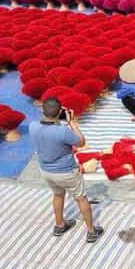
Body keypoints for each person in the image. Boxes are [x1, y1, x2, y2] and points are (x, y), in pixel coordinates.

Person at [30, 97, 104, 243]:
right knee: (81, 198)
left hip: (46, 171)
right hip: (66, 172)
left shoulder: (33, 126)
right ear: (59, 113)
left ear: (42, 110)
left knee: (58, 195)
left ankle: (59, 225)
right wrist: (72, 122)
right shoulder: (63, 131)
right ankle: (91, 231)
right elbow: (81, 142)